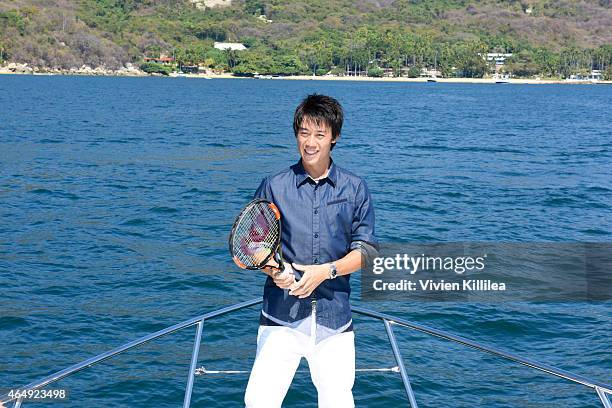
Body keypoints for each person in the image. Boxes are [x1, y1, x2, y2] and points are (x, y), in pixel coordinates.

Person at [244, 94, 377, 408]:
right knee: (259, 401)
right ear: (296, 135)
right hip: (280, 316)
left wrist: (325, 271)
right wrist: (276, 270)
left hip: (335, 320)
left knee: (337, 402)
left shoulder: (355, 188)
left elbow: (366, 251)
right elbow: (254, 244)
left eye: (320, 134)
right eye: (304, 133)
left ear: (334, 137)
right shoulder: (274, 185)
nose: (311, 142)